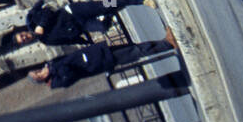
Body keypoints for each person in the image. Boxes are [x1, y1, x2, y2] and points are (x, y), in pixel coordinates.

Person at [29, 34, 176, 89]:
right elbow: (70, 73)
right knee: (135, 53)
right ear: (41, 79)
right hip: (98, 62)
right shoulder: (56, 81)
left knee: (132, 47)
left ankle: (163, 41)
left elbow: (65, 57)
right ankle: (167, 45)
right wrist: (53, 70)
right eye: (38, 74)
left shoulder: (51, 65)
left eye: (36, 70)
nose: (39, 71)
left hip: (95, 53)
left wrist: (52, 66)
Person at [14, 0, 157, 47]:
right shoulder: (46, 41)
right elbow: (67, 41)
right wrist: (85, 42)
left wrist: (41, 25)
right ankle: (112, 8)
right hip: (80, 26)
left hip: (73, 11)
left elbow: (47, 11)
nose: (25, 37)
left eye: (22, 36)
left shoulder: (33, 22)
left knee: (105, 5)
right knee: (103, 27)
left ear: (23, 32)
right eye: (24, 40)